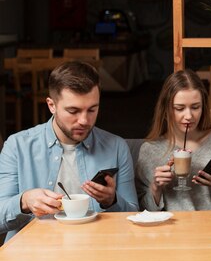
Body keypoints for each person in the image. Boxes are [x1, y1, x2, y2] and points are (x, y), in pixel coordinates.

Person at [0, 61, 138, 241]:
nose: (84, 120)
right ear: (51, 105)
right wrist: (24, 201)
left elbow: (133, 216)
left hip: (96, 250)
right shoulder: (17, 146)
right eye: (73, 111)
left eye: (92, 110)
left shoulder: (116, 147)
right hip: (33, 254)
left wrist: (111, 201)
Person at [135, 69, 211, 211]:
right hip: (168, 230)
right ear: (166, 110)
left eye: (195, 107)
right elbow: (140, 208)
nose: (189, 116)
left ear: (203, 107)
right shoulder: (150, 150)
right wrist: (155, 189)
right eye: (180, 108)